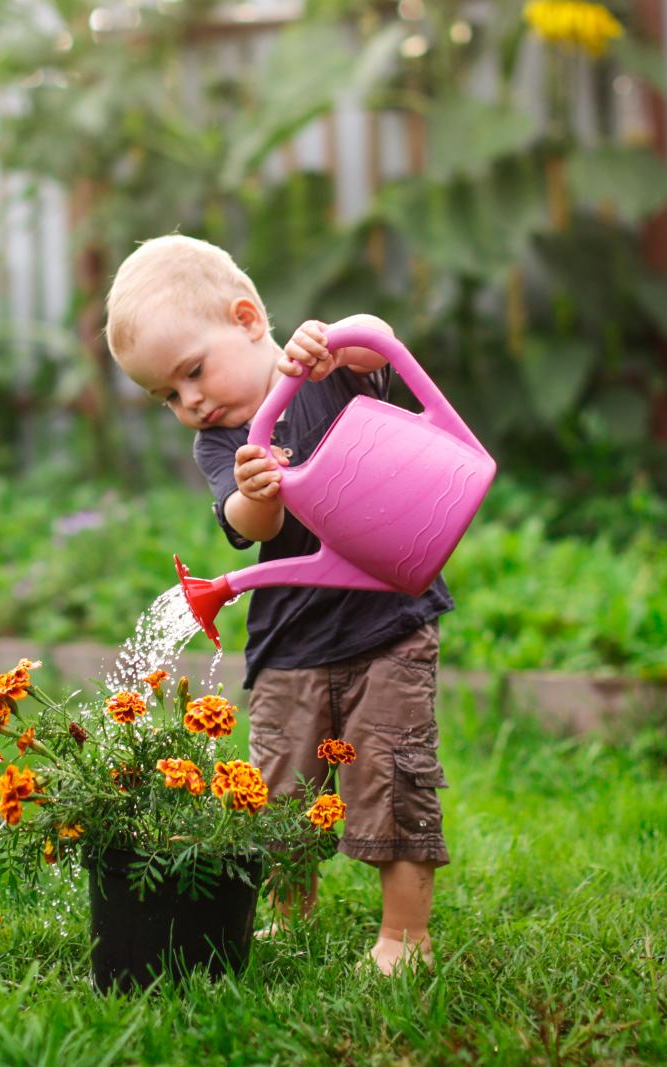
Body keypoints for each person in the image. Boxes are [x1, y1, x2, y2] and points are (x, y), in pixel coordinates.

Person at [103, 234, 455, 975]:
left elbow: (380, 345)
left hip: (385, 621)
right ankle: (295, 916)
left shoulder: (325, 371)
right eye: (167, 395)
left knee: (393, 775)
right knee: (279, 791)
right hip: (289, 639)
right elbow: (243, 522)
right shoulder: (226, 441)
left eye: (192, 371)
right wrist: (255, 490)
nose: (189, 400)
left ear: (247, 318)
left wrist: (336, 341)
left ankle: (404, 937)